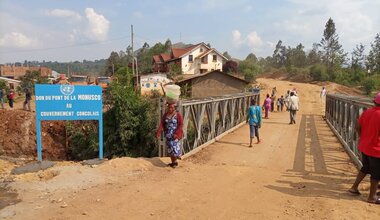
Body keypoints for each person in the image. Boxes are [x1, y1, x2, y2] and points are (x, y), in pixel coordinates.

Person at [348, 92, 380, 204]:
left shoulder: (367, 112)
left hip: (365, 146)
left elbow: (357, 126)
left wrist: (363, 137)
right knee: (376, 174)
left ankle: (354, 187)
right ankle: (372, 197)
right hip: (376, 150)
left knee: (365, 167)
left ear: (374, 102)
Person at [156, 103, 184, 168]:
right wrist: (158, 132)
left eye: (171, 107)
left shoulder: (178, 115)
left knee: (174, 147)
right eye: (169, 107)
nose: (170, 109)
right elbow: (162, 124)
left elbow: (181, 124)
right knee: (170, 149)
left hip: (175, 135)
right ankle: (173, 162)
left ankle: (176, 159)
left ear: (174, 108)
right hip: (168, 135)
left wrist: (177, 133)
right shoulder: (165, 115)